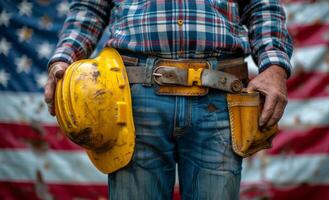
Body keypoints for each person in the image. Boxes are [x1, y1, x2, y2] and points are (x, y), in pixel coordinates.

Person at [44, 0, 293, 199]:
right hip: (132, 99)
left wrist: (275, 67)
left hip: (220, 95)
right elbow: (90, 6)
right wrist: (65, 57)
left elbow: (262, 4)